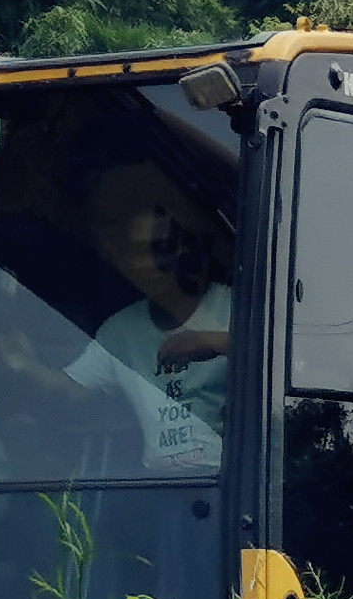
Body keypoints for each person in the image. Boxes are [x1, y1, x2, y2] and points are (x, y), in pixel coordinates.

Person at [66, 160, 230, 469]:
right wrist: (19, 365)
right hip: (157, 489)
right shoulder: (119, 332)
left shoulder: (241, 310)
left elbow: (300, 361)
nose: (148, 263)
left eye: (162, 248)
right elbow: (70, 393)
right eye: (137, 253)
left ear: (195, 246)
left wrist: (217, 343)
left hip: (232, 490)